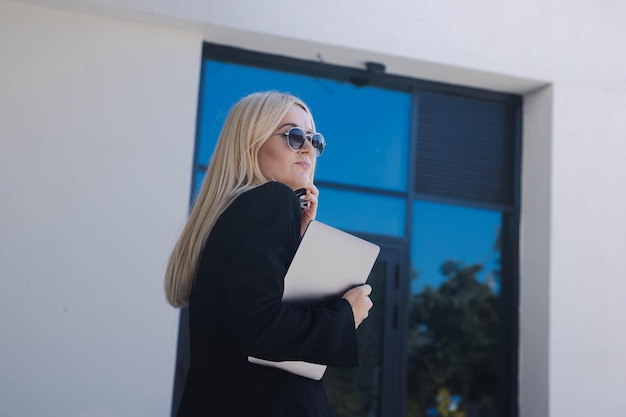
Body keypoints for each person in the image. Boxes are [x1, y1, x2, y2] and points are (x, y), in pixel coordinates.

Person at [164, 91, 374, 417]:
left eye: (314, 140)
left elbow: (247, 318)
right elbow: (258, 328)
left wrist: (300, 240)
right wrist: (345, 315)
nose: (308, 148)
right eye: (293, 136)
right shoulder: (270, 200)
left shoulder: (232, 215)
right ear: (251, 143)